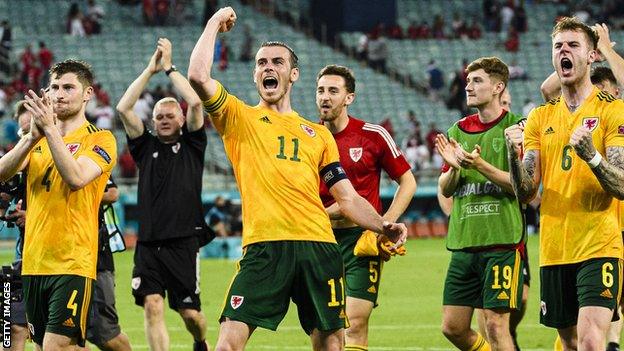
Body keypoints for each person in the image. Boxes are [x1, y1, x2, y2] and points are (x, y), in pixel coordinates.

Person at [188, 7, 407, 351]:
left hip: (318, 247)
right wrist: (215, 22)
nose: (268, 67)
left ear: (293, 75)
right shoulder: (238, 117)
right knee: (228, 342)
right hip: (264, 248)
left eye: (277, 62)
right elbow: (198, 77)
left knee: (331, 343)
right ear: (254, 75)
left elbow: (347, 197)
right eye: (261, 63)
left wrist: (383, 226)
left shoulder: (318, 136)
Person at [505, 17, 624, 351]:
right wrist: (513, 158)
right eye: (558, 46)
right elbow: (526, 191)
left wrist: (593, 157)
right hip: (555, 248)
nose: (564, 51)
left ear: (591, 56)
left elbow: (623, 185)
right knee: (568, 342)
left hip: (599, 244)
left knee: (590, 341)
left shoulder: (614, 111)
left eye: (573, 45)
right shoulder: (540, 118)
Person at [0, 59, 117, 350]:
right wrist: (29, 139)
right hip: (34, 262)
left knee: (54, 346)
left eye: (68, 87)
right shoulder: (36, 140)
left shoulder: (101, 139)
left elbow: (77, 178)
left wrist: (50, 132)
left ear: (87, 93)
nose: (60, 94)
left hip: (73, 262)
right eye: (54, 87)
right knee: (49, 346)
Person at [115, 38, 212, 351]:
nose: (165, 119)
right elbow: (123, 108)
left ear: (181, 119)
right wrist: (149, 70)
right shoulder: (145, 147)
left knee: (190, 313)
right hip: (149, 243)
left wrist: (168, 69)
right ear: (153, 122)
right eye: (159, 116)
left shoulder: (193, 145)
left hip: (184, 241)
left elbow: (196, 102)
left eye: (171, 115)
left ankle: (201, 341)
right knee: (152, 305)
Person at [316, 65, 416, 351]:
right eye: (321, 90)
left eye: (333, 91)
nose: (325, 97)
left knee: (356, 322)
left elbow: (407, 182)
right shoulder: (308, 138)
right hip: (320, 240)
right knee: (324, 327)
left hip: (361, 240)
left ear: (349, 97)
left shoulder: (373, 135)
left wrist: (383, 225)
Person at [436, 56, 525, 351]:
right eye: (467, 81)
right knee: (453, 327)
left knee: (496, 325)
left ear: (498, 87)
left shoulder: (517, 128)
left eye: (477, 81)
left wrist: (481, 164)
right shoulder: (457, 130)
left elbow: (522, 187)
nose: (468, 87)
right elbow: (446, 189)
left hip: (501, 242)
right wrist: (455, 168)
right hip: (464, 242)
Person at [86, 176, 132, 351]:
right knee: (60, 334)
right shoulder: (39, 157)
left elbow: (112, 193)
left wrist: (78, 195)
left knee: (103, 331)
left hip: (95, 259)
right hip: (50, 259)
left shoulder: (92, 153)